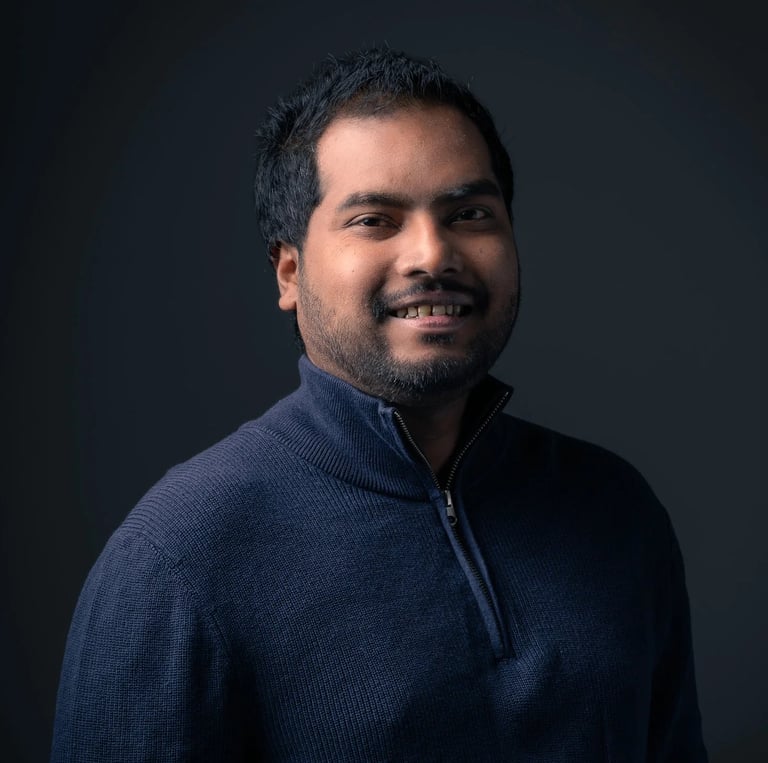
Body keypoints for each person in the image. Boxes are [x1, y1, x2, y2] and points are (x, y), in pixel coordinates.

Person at [51, 48, 707, 761]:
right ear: (290, 271)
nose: (432, 254)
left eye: (470, 214)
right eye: (375, 219)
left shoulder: (616, 512)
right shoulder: (176, 562)